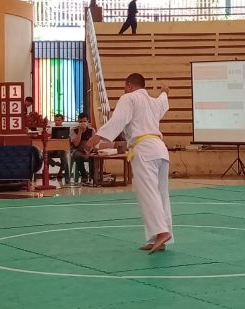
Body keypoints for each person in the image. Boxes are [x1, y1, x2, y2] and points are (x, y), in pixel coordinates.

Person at [84, 73, 172, 253]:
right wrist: (164, 91)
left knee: (148, 193)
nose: (124, 90)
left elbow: (118, 119)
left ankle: (161, 232)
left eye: (125, 87)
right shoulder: (153, 101)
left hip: (144, 150)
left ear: (130, 86)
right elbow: (164, 100)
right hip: (161, 150)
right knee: (161, 193)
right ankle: (159, 237)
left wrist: (97, 136)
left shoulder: (129, 98)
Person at [70, 113, 96, 184]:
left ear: (88, 122)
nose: (82, 123)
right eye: (80, 122)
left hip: (89, 150)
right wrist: (80, 132)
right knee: (76, 156)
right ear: (78, 122)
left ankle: (92, 177)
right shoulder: (73, 130)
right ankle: (84, 176)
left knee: (93, 157)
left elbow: (93, 143)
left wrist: (89, 151)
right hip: (78, 150)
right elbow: (76, 144)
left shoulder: (92, 130)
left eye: (84, 121)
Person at [47, 113, 69, 183]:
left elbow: (68, 140)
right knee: (44, 154)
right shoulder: (50, 129)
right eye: (56, 120)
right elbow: (47, 138)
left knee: (64, 155)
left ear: (62, 120)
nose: (57, 122)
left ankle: (60, 173)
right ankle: (55, 163)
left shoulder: (66, 129)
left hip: (61, 149)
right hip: (52, 149)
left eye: (59, 120)